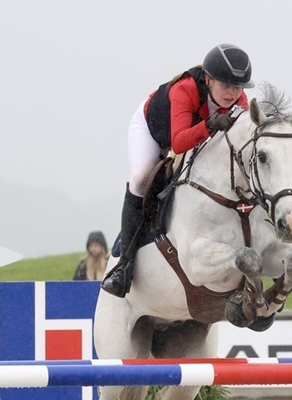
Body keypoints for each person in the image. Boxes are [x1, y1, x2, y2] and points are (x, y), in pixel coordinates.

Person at [101, 44, 254, 297]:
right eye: (226, 85)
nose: (233, 93)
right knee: (141, 178)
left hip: (194, 135)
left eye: (238, 87)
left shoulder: (240, 102)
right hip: (153, 131)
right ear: (208, 79)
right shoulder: (186, 89)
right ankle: (124, 266)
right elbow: (180, 142)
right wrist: (209, 125)